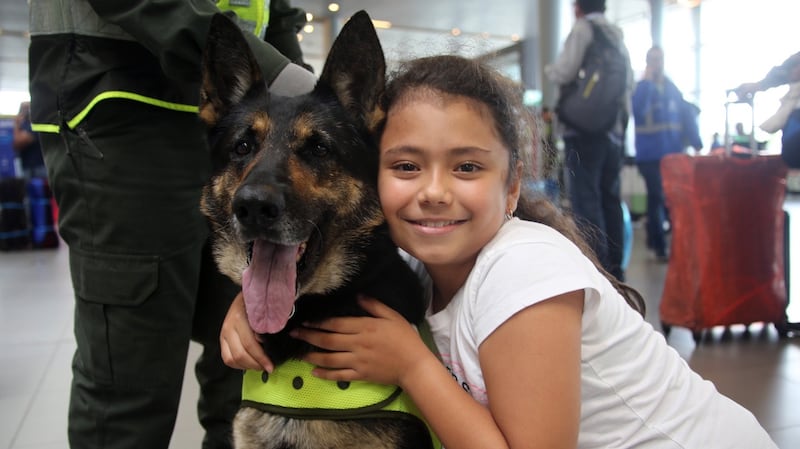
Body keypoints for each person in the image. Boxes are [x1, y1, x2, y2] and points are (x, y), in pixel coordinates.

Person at [220, 54, 778, 448]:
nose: (434, 191)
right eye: (407, 166)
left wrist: (414, 365)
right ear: (375, 179)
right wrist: (246, 304)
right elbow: (313, 269)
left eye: (466, 167)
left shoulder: (523, 269)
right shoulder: (422, 258)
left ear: (512, 188)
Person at [27, 1, 315, 448]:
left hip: (243, 125)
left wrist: (303, 95)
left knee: (248, 372)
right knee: (131, 385)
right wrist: (281, 75)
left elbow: (272, 11)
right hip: (123, 112)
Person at [544, 0, 633, 282]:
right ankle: (616, 271)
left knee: (585, 200)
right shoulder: (616, 34)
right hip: (612, 132)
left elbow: (566, 71)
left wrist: (550, 70)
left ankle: (597, 270)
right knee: (610, 200)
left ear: (577, 8)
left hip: (583, 131)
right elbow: (627, 84)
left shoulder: (583, 29)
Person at [632, 46, 702, 262]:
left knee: (670, 199)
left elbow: (686, 116)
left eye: (660, 59)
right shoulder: (642, 88)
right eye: (653, 59)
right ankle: (659, 245)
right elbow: (638, 112)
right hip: (649, 156)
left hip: (672, 155)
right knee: (656, 197)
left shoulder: (672, 88)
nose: (657, 63)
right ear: (647, 62)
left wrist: (697, 143)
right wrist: (649, 84)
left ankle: (663, 241)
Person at [12, 101, 46, 180]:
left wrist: (16, 125)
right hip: (26, 167)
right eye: (22, 109)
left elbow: (19, 143)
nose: (25, 111)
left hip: (38, 167)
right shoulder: (23, 125)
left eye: (27, 108)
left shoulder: (35, 124)